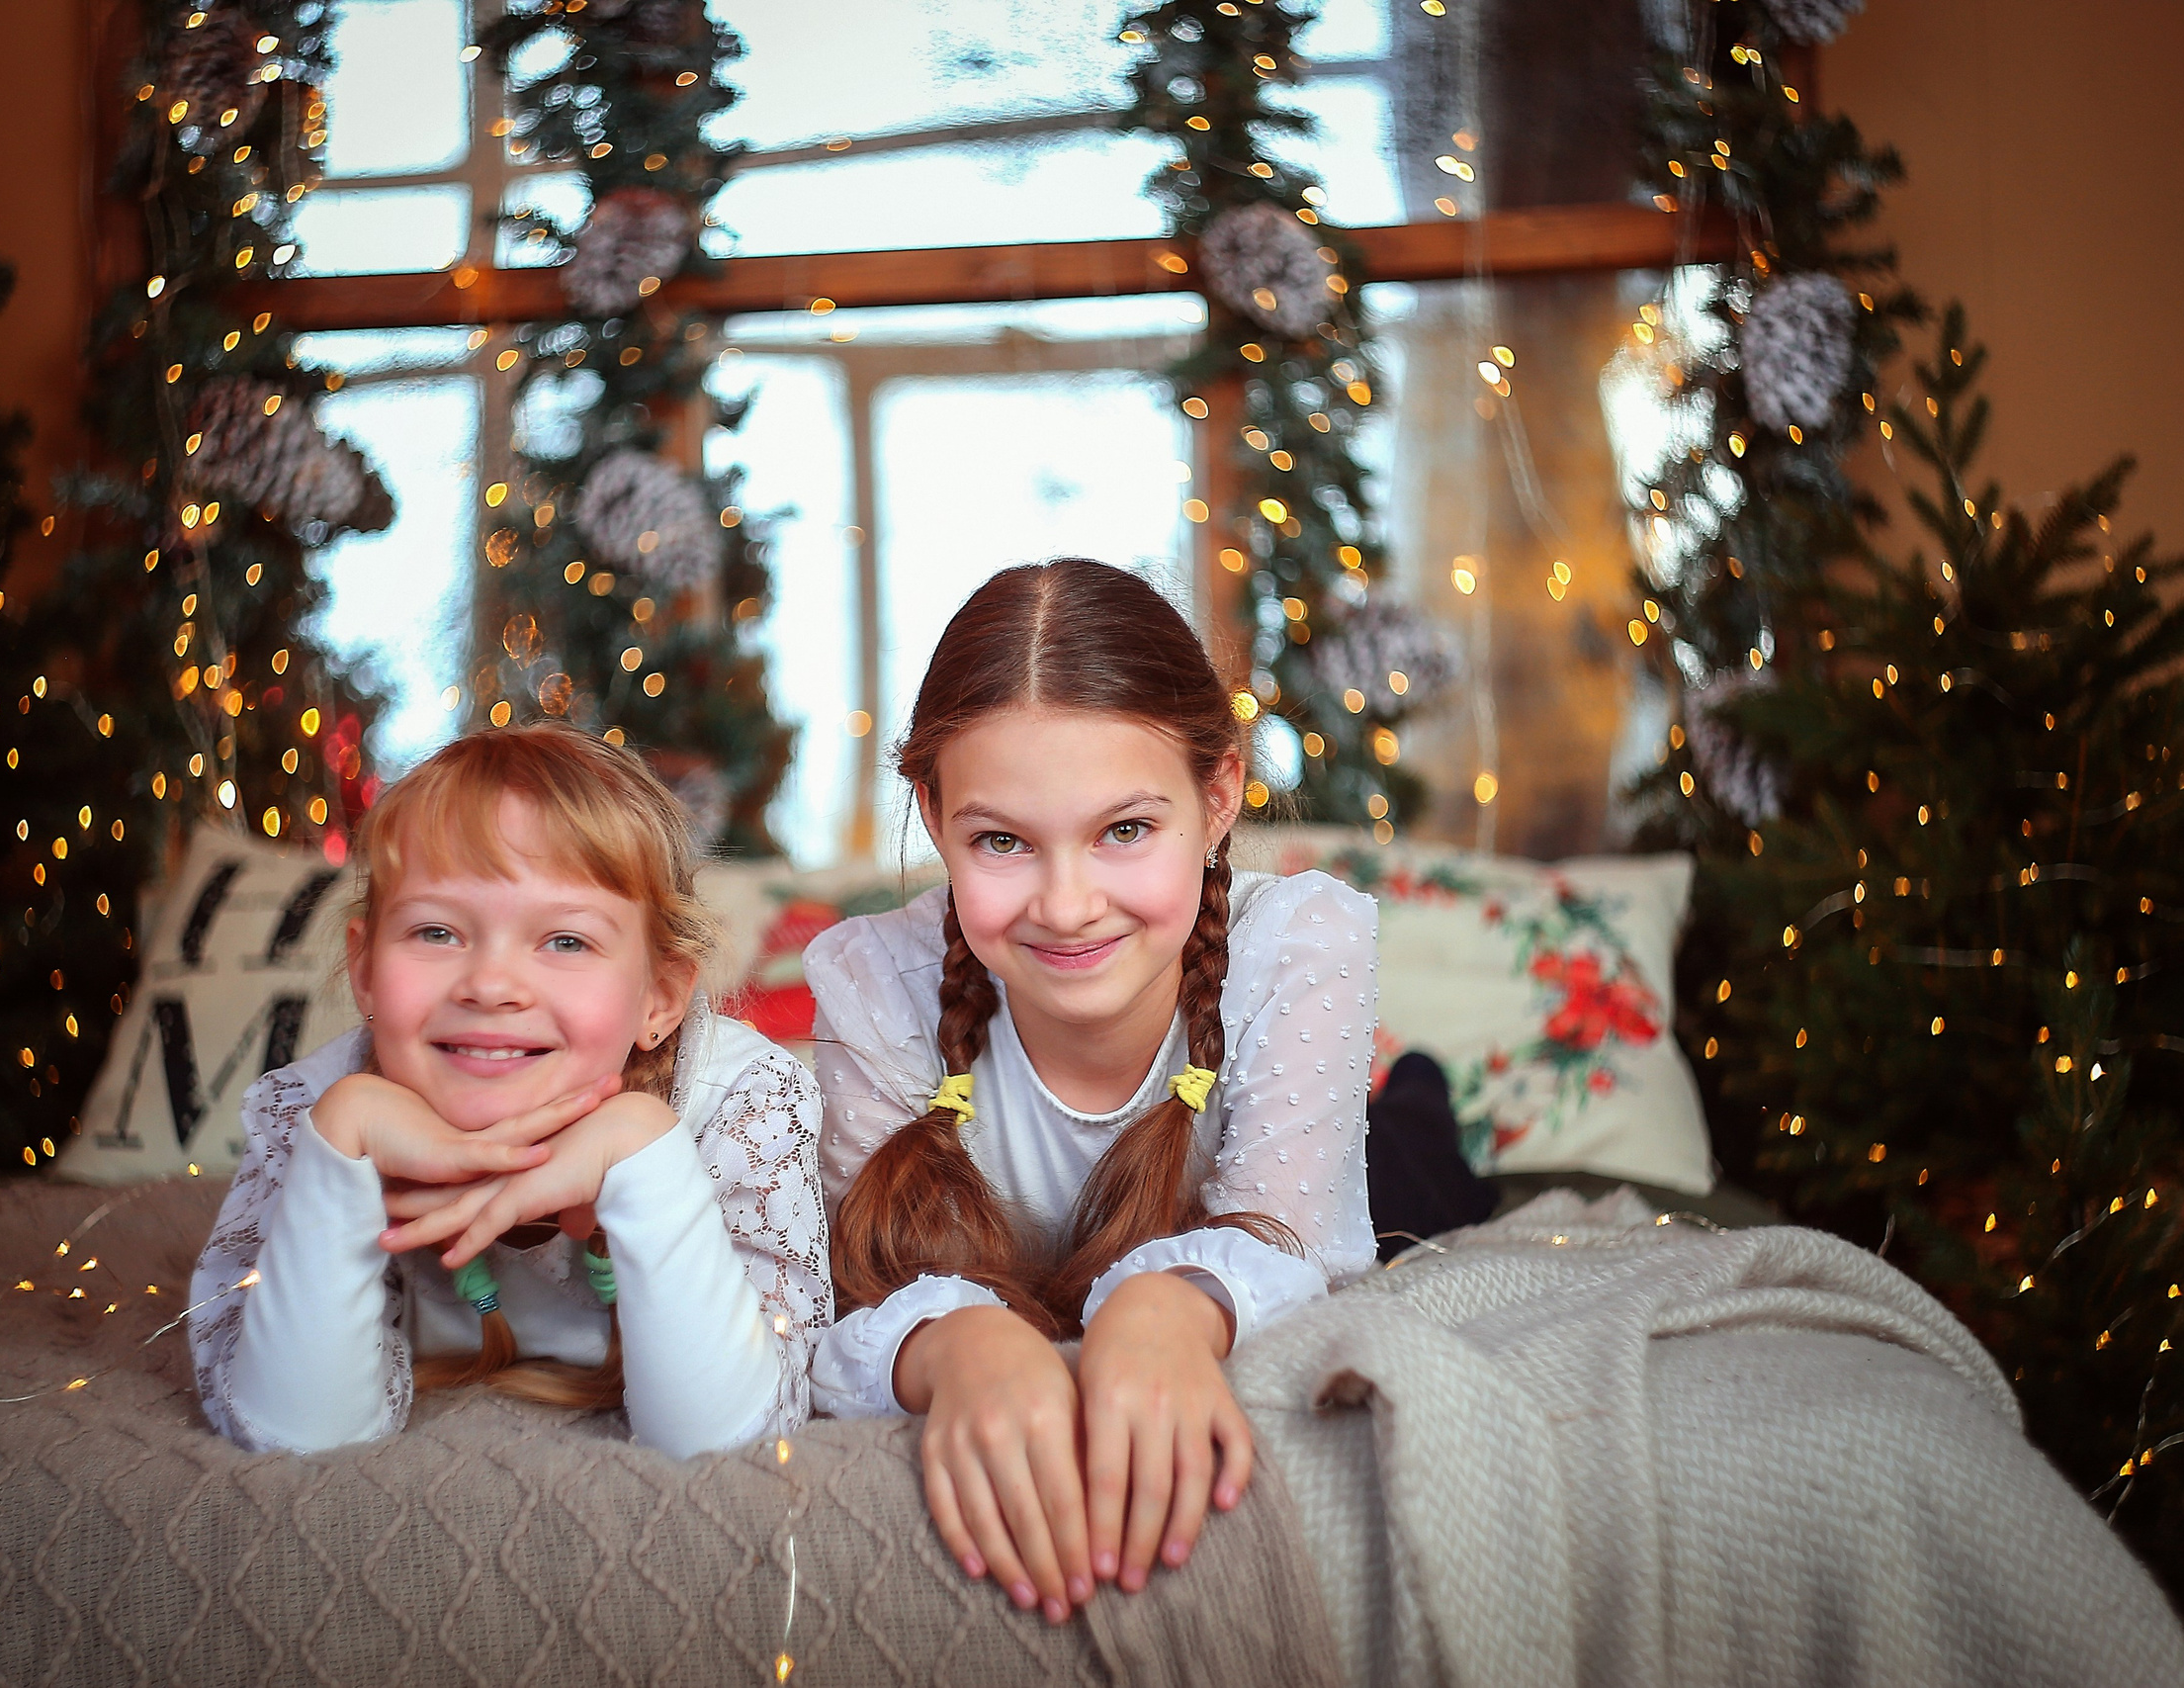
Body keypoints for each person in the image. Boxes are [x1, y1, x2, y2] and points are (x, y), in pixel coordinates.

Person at [807, 559, 1377, 1625]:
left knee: (1425, 1154)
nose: (1066, 908)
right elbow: (841, 1304)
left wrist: (1166, 1305)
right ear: (933, 819)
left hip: (1365, 1157)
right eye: (1001, 841)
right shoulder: (870, 981)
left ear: (1217, 799)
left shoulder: (1299, 939)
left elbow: (1307, 1250)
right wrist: (952, 1344)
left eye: (1124, 830)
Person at [190, 723, 829, 1459]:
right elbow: (290, 1431)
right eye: (436, 932)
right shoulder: (321, 1110)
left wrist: (638, 1146)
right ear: (364, 969)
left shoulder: (739, 1101)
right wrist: (348, 1136)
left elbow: (729, 1437)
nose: (491, 985)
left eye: (565, 940)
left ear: (659, 996)